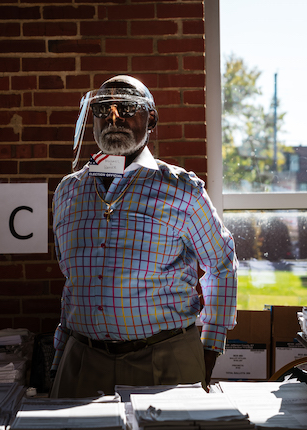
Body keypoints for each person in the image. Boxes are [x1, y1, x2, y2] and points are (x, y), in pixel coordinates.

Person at [50, 75, 237, 398]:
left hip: (165, 362)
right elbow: (72, 285)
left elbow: (221, 266)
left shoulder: (181, 190)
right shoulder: (68, 192)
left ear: (151, 118)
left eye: (127, 107)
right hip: (82, 361)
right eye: (101, 109)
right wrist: (60, 356)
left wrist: (209, 349)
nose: (113, 117)